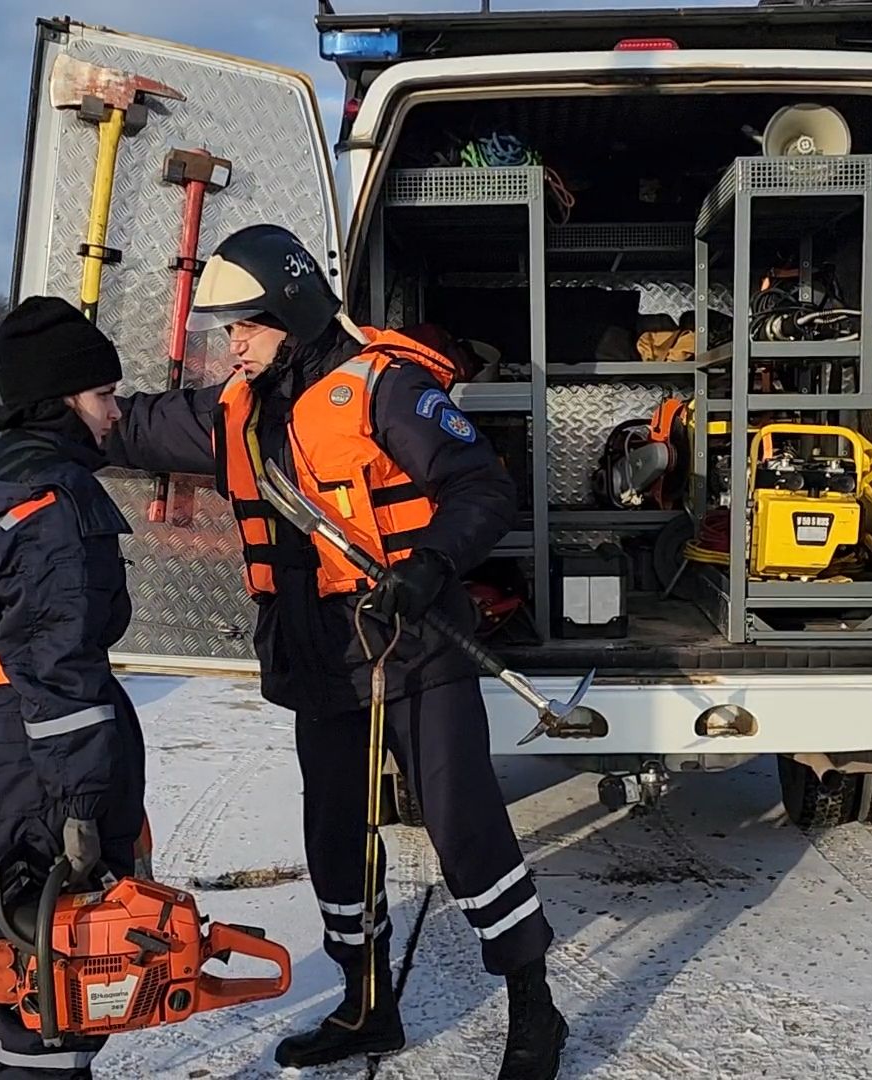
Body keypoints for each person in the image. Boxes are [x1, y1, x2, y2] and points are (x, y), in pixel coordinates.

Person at [103, 223, 567, 1079]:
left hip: (411, 641)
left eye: (246, 324)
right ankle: (365, 1007)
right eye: (226, 328)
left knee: (463, 827)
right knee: (335, 837)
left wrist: (430, 566)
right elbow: (131, 428)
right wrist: (52, 415)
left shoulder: (385, 390)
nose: (231, 343)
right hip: (315, 652)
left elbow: (480, 485)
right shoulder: (234, 413)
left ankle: (535, 1010)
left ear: (292, 310)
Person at [0, 296, 147, 1079]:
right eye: (104, 396)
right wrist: (82, 804)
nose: (115, 414)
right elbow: (59, 671)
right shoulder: (53, 511)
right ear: (60, 402)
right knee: (68, 961)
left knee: (5, 934)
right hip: (41, 762)